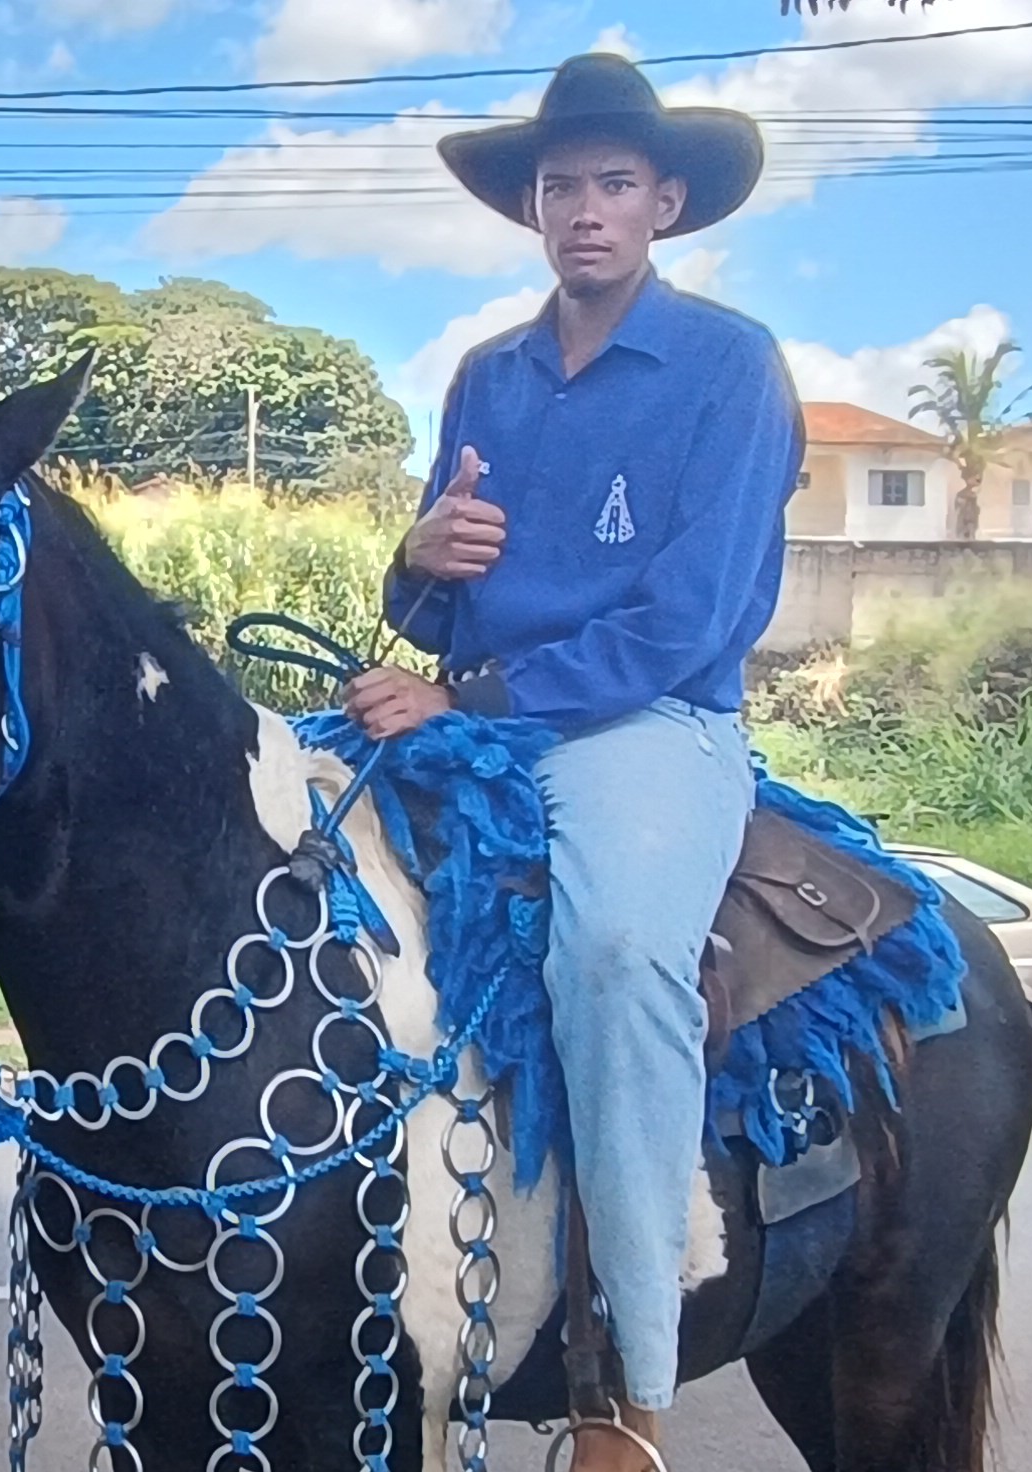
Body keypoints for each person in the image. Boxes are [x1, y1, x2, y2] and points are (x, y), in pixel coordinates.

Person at [339, 54, 799, 1471]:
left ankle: (630, 1391)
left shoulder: (730, 366)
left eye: (613, 183)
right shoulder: (488, 377)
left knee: (613, 956)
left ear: (666, 203)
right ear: (531, 209)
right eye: (559, 187)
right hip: (474, 707)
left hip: (644, 728)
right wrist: (417, 563)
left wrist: (468, 696)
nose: (584, 210)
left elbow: (692, 621)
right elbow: (435, 606)